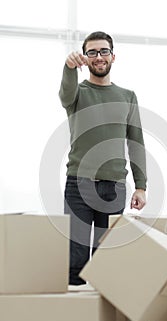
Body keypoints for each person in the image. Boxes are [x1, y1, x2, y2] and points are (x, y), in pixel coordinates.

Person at [59, 31, 147, 285]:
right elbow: (65, 93)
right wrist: (68, 67)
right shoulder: (77, 93)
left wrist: (141, 186)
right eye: (92, 52)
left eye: (104, 51)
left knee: (105, 261)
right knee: (75, 261)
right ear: (85, 59)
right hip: (78, 185)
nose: (99, 57)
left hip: (114, 188)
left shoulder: (127, 96)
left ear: (113, 56)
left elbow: (136, 142)